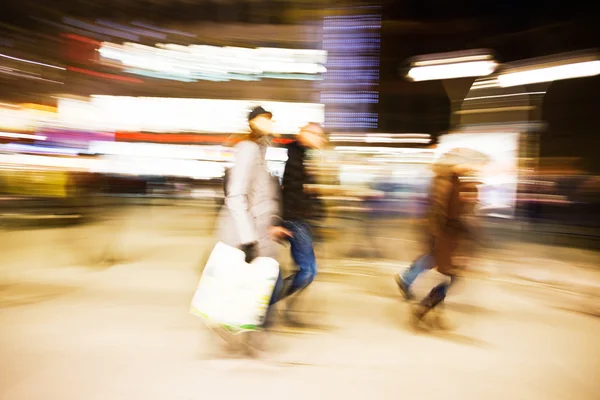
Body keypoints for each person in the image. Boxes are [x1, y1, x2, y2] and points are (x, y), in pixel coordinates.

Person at [216, 106, 290, 329]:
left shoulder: (260, 151)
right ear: (253, 123)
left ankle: (245, 329)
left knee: (266, 284)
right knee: (266, 285)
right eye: (264, 120)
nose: (270, 124)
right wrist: (248, 240)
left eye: (271, 120)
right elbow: (237, 196)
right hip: (246, 235)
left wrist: (274, 222)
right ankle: (243, 329)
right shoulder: (248, 149)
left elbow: (263, 195)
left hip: (260, 232)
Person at [394, 148, 486, 327]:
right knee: (451, 277)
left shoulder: (450, 181)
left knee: (447, 275)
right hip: (446, 239)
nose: (471, 167)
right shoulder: (450, 184)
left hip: (445, 239)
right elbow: (449, 215)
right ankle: (423, 307)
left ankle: (431, 310)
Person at [273, 123, 326, 323]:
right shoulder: (295, 156)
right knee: (308, 270)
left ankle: (281, 307)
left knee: (306, 270)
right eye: (317, 135)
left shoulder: (303, 155)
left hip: (300, 219)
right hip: (295, 219)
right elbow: (293, 190)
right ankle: (269, 302)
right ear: (304, 134)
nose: (321, 139)